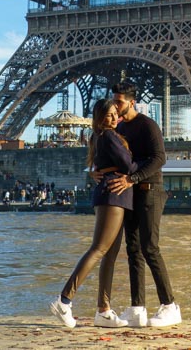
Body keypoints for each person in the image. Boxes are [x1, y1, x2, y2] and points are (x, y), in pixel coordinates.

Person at [49, 99, 136, 329]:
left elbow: (105, 163)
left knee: (109, 254)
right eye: (107, 115)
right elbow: (127, 164)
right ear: (98, 118)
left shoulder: (98, 137)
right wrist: (147, 165)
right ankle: (64, 300)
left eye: (114, 114)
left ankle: (104, 310)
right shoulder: (108, 135)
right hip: (113, 195)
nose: (112, 118)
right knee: (99, 249)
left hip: (113, 195)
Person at [107, 81, 181, 329]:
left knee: (150, 248)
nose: (115, 106)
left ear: (132, 102)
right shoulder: (119, 128)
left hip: (150, 191)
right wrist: (99, 172)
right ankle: (137, 308)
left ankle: (170, 306)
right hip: (132, 193)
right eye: (114, 101)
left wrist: (132, 178)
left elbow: (160, 158)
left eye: (119, 102)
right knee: (133, 250)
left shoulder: (147, 125)